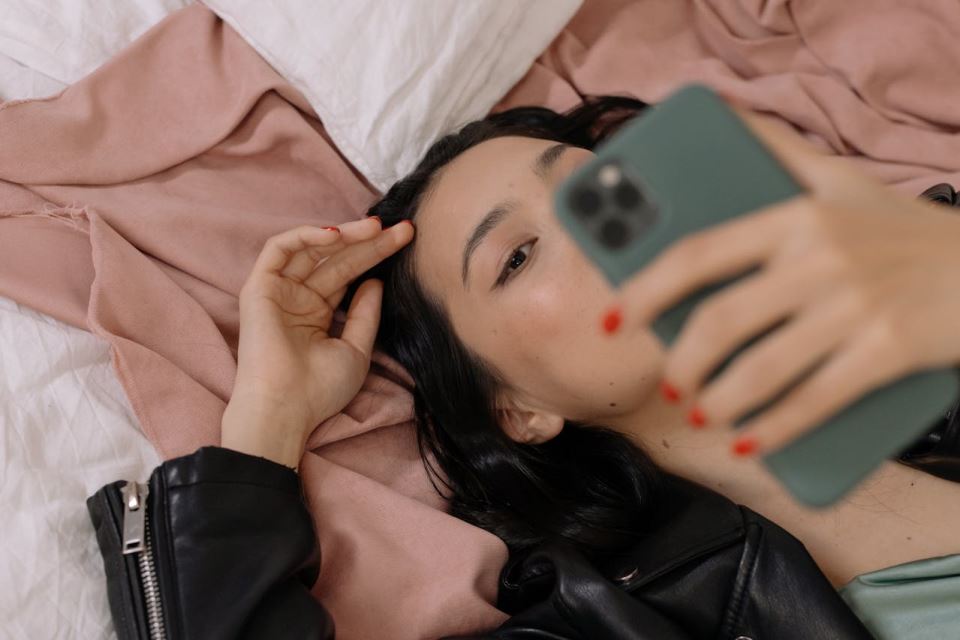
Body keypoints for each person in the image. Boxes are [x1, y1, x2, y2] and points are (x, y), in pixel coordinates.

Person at [90, 94, 960, 639]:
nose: (603, 224)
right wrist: (268, 419)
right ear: (518, 410)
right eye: (515, 256)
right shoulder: (610, 624)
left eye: (600, 185)